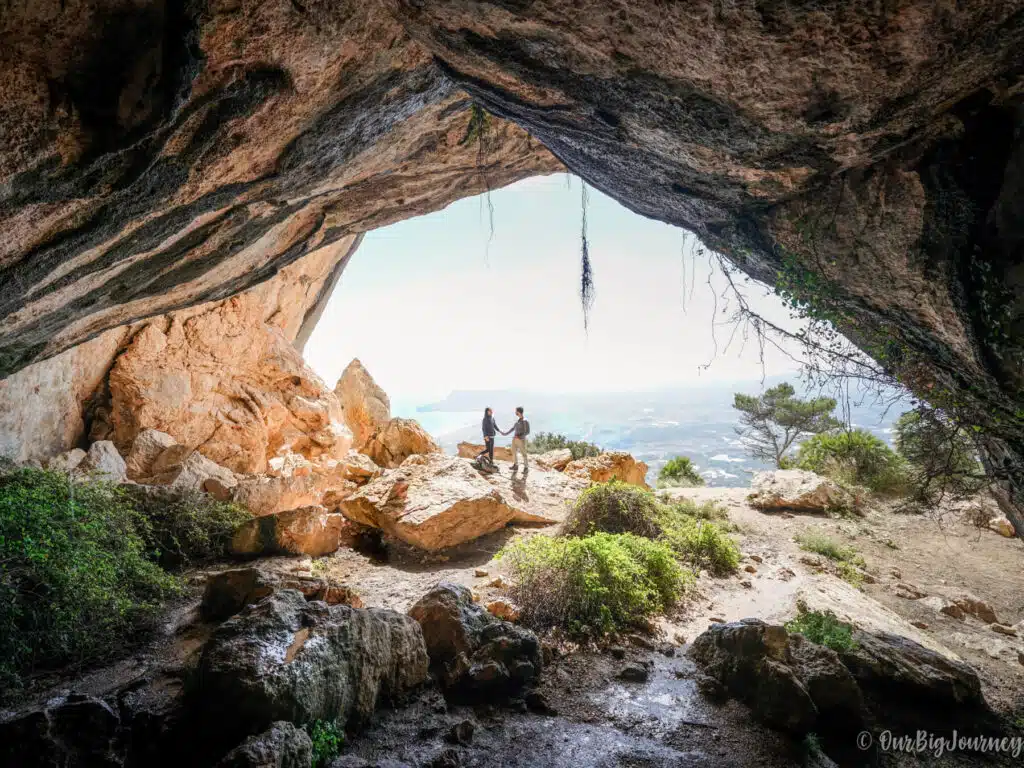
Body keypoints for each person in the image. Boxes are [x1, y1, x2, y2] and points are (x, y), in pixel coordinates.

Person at [507, 406, 530, 473]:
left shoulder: (525, 421)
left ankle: (526, 468)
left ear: (519, 412)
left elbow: (527, 431)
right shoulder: (518, 420)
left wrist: (519, 436)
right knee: (513, 451)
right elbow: (513, 428)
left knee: (524, 454)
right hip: (515, 439)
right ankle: (515, 465)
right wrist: (505, 433)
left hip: (521, 440)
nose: (515, 412)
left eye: (516, 411)